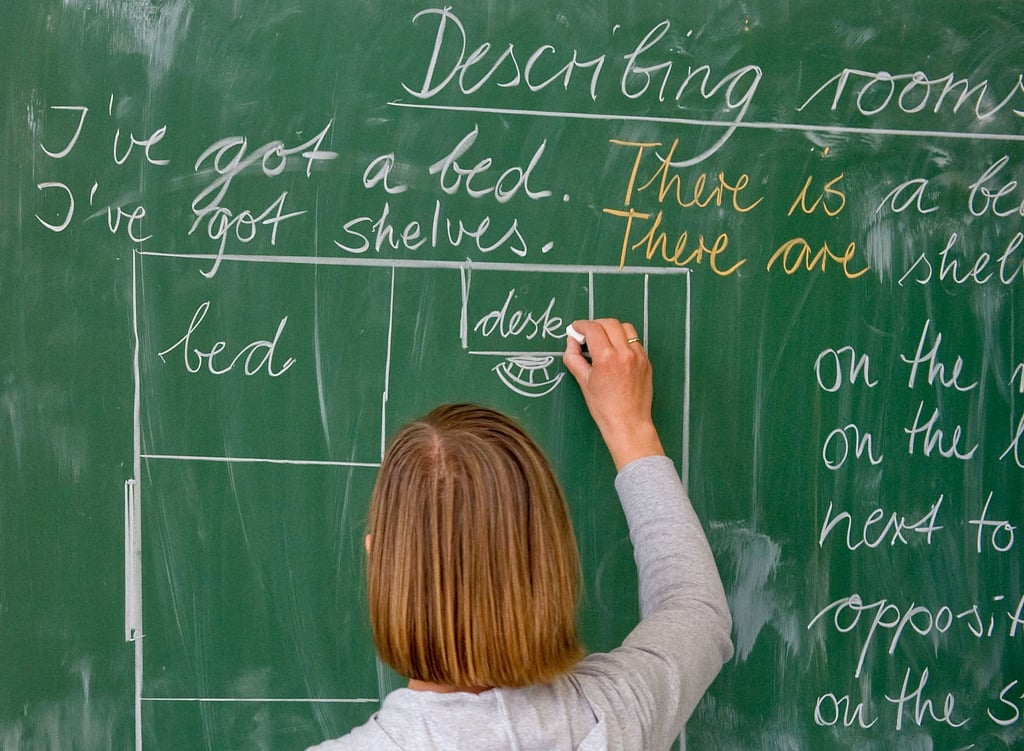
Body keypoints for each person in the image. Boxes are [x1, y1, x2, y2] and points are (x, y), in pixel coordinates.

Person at [307, 318, 734, 750]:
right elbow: (696, 610)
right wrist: (629, 428)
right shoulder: (613, 715)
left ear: (378, 556)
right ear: (550, 558)